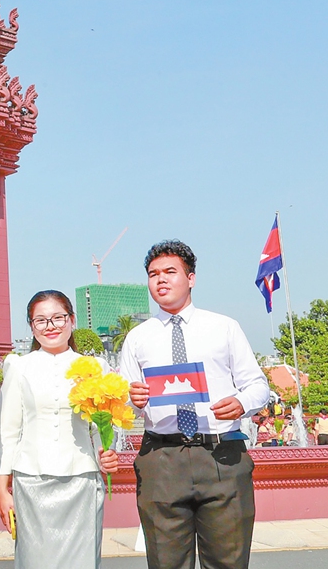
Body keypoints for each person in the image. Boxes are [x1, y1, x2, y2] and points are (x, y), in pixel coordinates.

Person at [120, 240, 269, 569]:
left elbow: (259, 386)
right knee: (166, 563)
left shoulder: (224, 327)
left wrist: (241, 402)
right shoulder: (137, 338)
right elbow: (123, 405)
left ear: (191, 278)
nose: (161, 279)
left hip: (222, 457)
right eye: (153, 274)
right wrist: (132, 401)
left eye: (170, 272)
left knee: (228, 562)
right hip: (161, 460)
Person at [0, 290, 119, 569]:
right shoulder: (19, 366)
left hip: (81, 480)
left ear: (72, 320)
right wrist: (2, 489)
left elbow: (103, 425)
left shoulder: (95, 367)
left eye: (58, 318)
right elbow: (9, 431)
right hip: (30, 481)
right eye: (40, 320)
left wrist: (107, 452)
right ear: (31, 326)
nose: (50, 326)